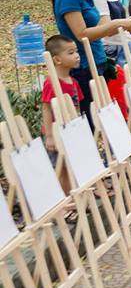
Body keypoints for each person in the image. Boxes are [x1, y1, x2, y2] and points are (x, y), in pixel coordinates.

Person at [51, 0, 131, 118]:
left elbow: (97, 28)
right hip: (82, 65)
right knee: (92, 119)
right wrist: (117, 24)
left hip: (97, 61)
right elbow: (82, 34)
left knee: (106, 117)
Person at [41, 36, 83, 193]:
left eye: (76, 51)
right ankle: (66, 199)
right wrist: (49, 136)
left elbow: (77, 107)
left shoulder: (73, 81)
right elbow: (46, 108)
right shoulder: (51, 83)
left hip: (71, 131)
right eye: (71, 52)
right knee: (61, 168)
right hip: (56, 133)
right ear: (57, 59)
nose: (77, 55)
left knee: (73, 165)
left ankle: (75, 195)